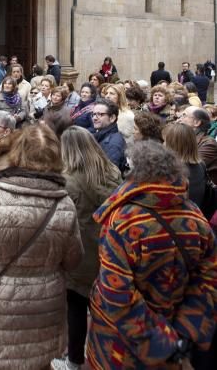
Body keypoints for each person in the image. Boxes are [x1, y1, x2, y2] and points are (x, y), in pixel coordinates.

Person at [0, 124, 84, 370]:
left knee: (5, 360)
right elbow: (74, 260)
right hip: (47, 301)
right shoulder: (65, 203)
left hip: (3, 299)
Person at [86, 140, 217, 370]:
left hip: (122, 345)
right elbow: (208, 280)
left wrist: (162, 342)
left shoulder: (123, 220)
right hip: (176, 332)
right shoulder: (194, 215)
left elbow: (117, 293)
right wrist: (184, 333)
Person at [51, 126, 122, 370]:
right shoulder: (111, 170)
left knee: (77, 308)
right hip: (108, 249)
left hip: (80, 252)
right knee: (103, 309)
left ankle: (73, 360)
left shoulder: (69, 179)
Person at [163, 122, 207, 211]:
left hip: (177, 218)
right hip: (196, 214)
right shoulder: (201, 164)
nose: (163, 144)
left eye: (165, 141)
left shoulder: (170, 170)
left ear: (172, 145)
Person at [179, 106, 217, 184]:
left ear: (197, 122)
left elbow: (190, 167)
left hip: (199, 189)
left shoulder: (208, 144)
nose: (179, 119)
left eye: (184, 115)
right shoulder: (184, 138)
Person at [90, 99, 126, 172]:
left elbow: (109, 176)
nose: (94, 118)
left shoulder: (112, 144)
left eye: (100, 114)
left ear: (112, 118)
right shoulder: (101, 136)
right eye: (93, 114)